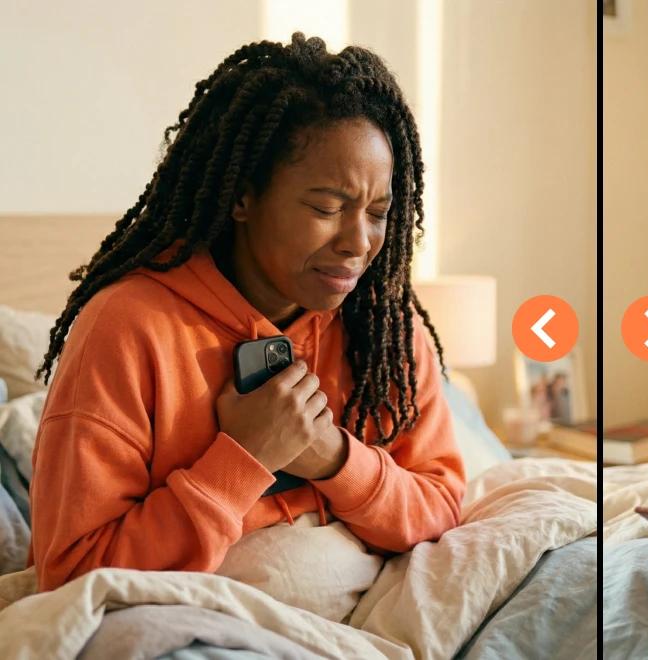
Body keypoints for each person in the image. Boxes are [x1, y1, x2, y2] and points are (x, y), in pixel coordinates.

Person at [28, 33, 465, 593]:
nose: (359, 242)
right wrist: (244, 457)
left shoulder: (384, 327)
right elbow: (72, 578)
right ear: (242, 197)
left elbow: (442, 505)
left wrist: (332, 458)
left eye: (379, 212)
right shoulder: (127, 327)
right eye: (326, 207)